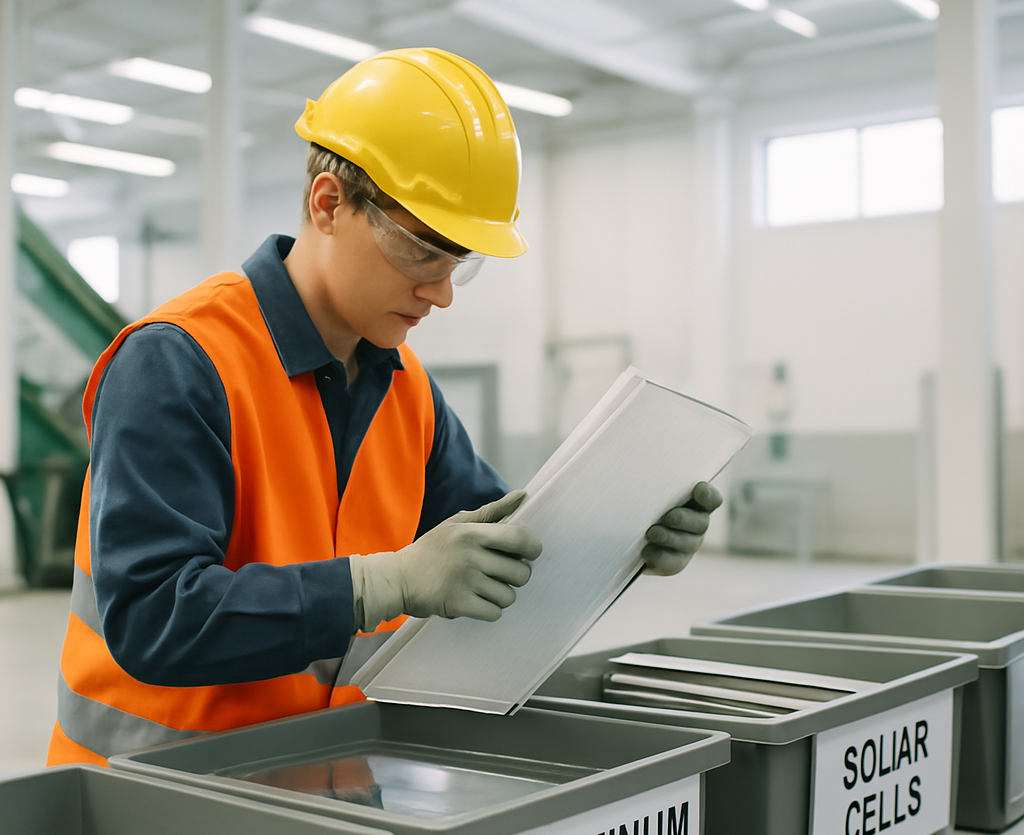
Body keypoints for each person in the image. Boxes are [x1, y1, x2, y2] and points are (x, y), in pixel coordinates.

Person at [46, 47, 722, 767]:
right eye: (421, 250)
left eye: (460, 261)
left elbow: (508, 551)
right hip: (151, 809)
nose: (441, 291)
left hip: (326, 788)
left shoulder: (406, 389)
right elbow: (155, 618)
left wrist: (623, 540)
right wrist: (384, 583)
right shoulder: (178, 363)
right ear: (328, 204)